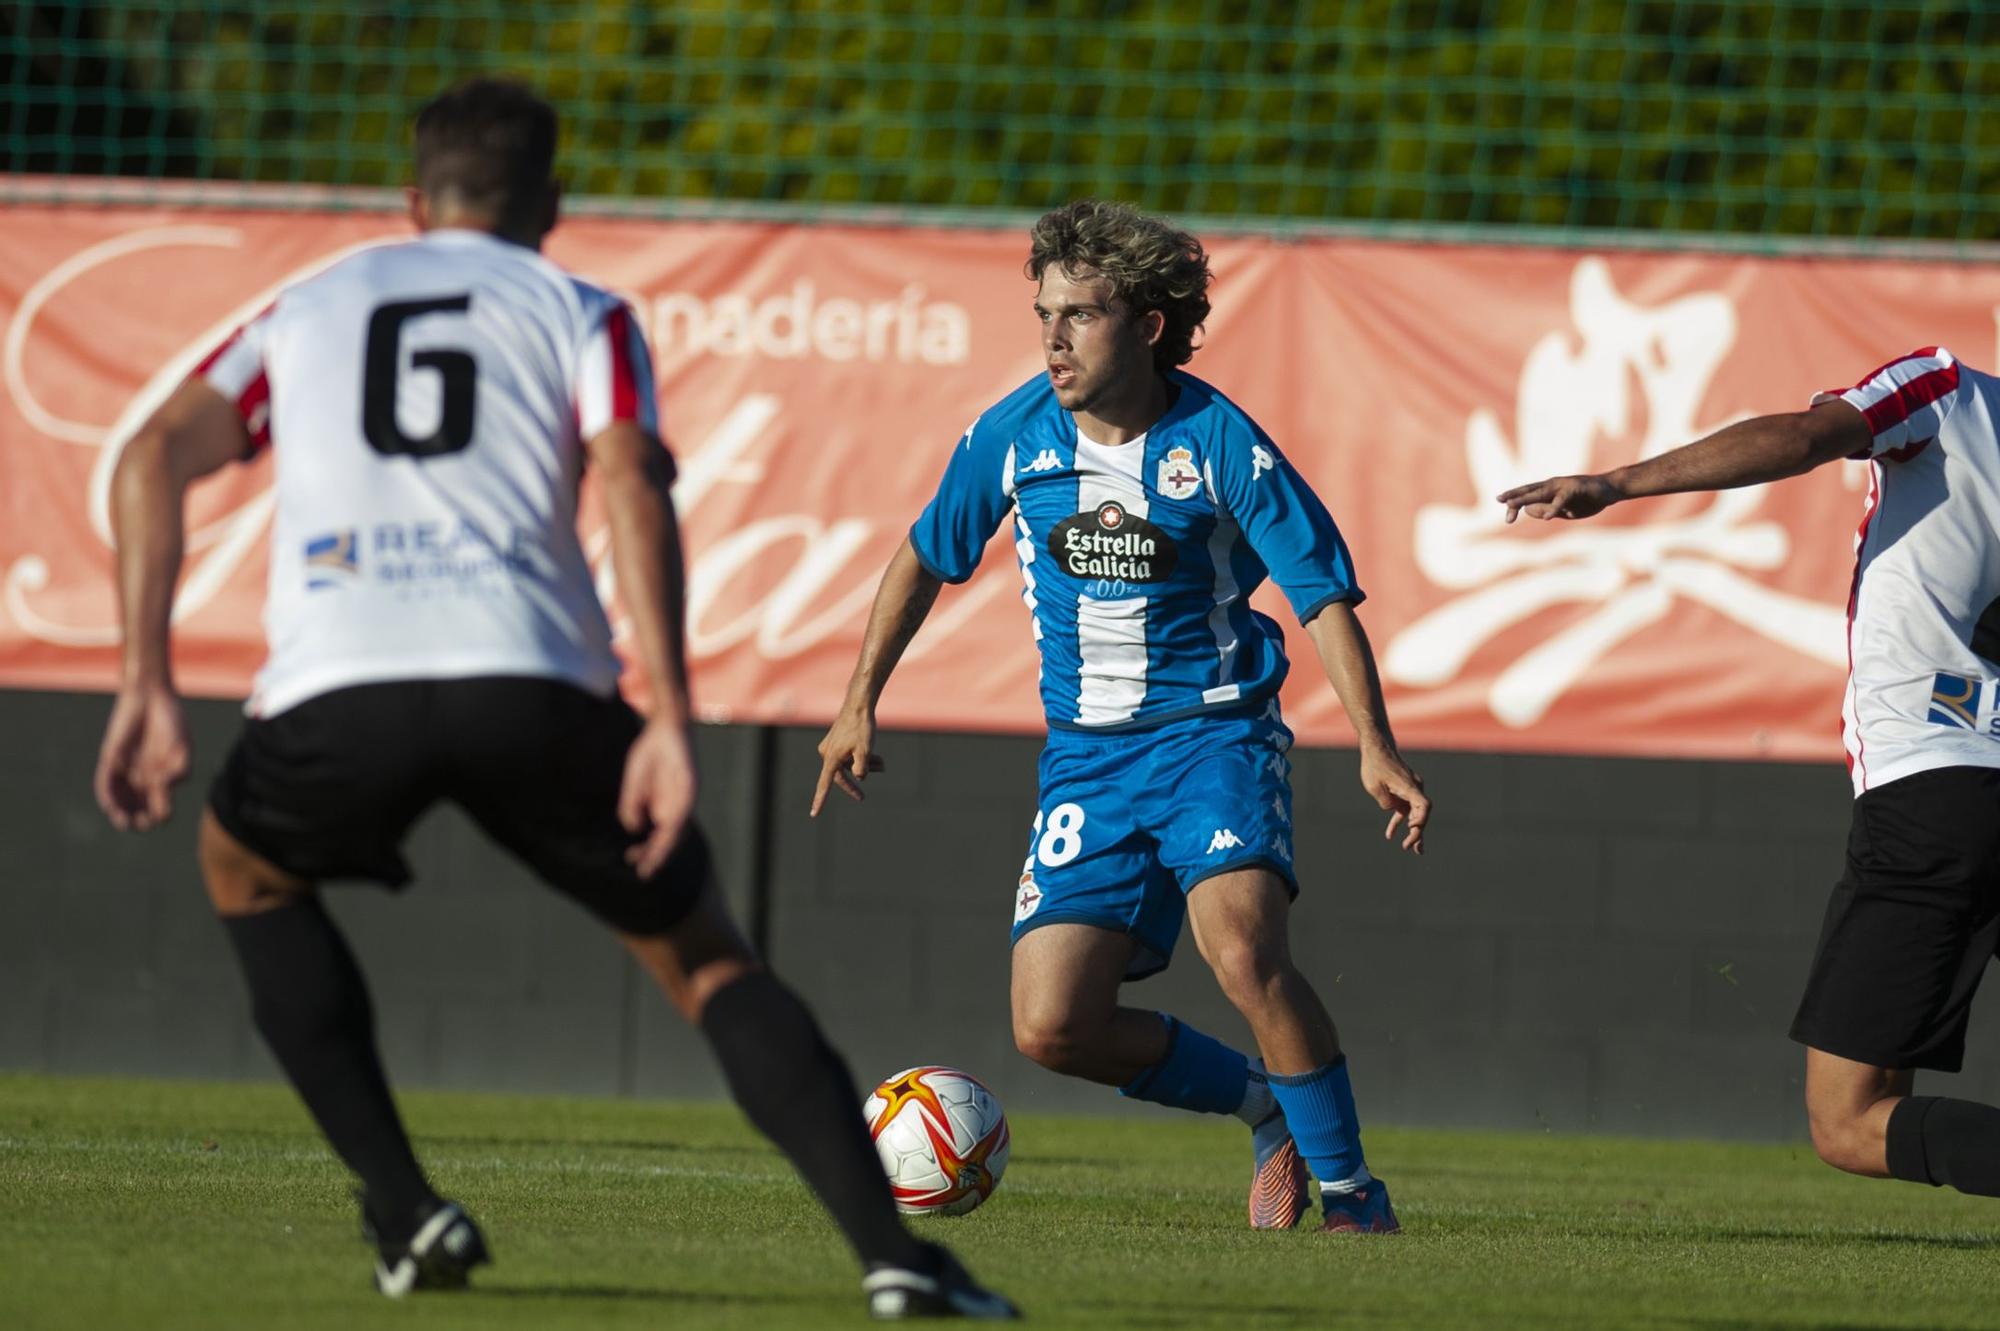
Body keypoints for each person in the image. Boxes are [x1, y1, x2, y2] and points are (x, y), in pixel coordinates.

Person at [90, 78, 1014, 1320]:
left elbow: (152, 451)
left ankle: (406, 1207)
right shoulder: (582, 311)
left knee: (244, 871)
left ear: (414, 202)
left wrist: (144, 676)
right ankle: (901, 1261)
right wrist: (672, 716)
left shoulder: (304, 308)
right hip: (532, 679)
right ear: (552, 205)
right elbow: (628, 476)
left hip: (336, 682)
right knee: (703, 962)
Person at [813, 199, 1430, 1234]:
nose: (1051, 337)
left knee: (1240, 946)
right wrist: (855, 701)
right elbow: (924, 553)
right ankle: (1264, 1107)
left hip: (1212, 737)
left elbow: (1320, 593)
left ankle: (1354, 1198)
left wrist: (1374, 742)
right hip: (1086, 764)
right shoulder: (1013, 434)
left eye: (1079, 315)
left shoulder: (1219, 440)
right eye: (1043, 313)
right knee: (1052, 1025)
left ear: (1146, 325)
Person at [1501, 346, 2000, 1204]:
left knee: (1850, 1120)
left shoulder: (1951, 390)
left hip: (1935, 787)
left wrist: (1615, 483)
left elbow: (1808, 437)